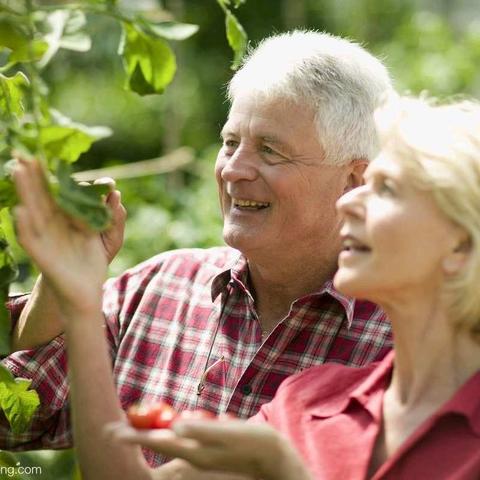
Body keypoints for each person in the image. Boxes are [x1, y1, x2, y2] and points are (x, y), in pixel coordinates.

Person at [1, 31, 394, 479]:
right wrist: (61, 279)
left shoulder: (399, 337)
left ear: (353, 181)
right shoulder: (158, 287)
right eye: (230, 143)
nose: (233, 168)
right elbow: (15, 418)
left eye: (270, 150)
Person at [110, 97, 480, 480]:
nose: (349, 200)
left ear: (461, 245)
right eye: (230, 143)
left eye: (386, 189)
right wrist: (74, 292)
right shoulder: (308, 401)